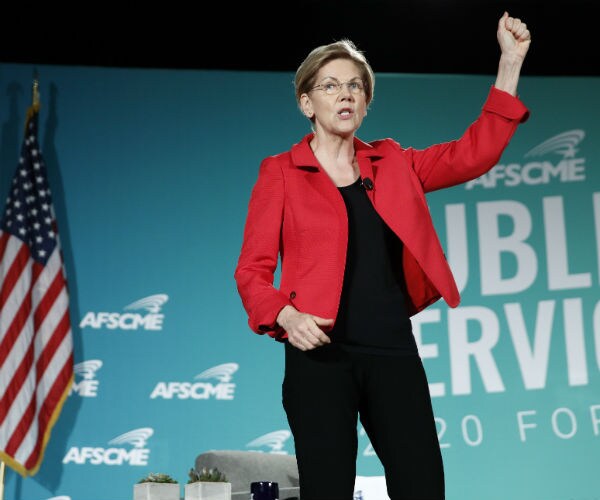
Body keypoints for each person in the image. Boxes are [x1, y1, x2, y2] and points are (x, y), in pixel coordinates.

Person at [234, 11, 531, 500]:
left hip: (392, 351)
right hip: (320, 357)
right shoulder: (281, 172)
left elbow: (473, 154)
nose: (345, 94)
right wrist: (285, 315)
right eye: (330, 86)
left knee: (423, 487)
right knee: (328, 489)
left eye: (355, 86)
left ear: (366, 102)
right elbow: (251, 271)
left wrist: (510, 64)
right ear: (307, 103)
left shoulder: (393, 162)